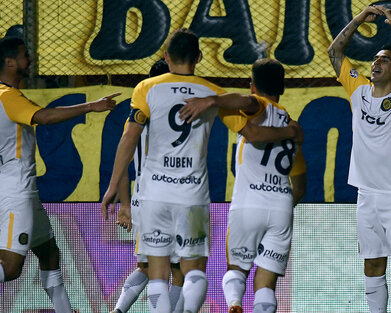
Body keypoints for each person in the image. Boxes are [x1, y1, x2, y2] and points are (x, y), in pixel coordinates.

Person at [100, 28, 301, 313]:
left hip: (154, 196)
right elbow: (252, 130)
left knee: (155, 272)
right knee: (193, 271)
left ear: (167, 56)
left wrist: (112, 187)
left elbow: (129, 137)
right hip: (192, 197)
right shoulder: (210, 91)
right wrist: (289, 130)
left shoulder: (146, 88)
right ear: (199, 57)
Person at [0, 37, 118, 312]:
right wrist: (90, 106)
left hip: (19, 190)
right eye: (23, 55)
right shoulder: (8, 96)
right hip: (16, 191)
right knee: (11, 267)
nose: (29, 59)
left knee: (50, 253)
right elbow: (44, 117)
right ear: (9, 62)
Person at [180, 58, 307, 313]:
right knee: (266, 285)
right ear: (282, 88)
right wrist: (281, 202)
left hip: (249, 203)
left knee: (236, 269)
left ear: (251, 86)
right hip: (282, 206)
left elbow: (249, 103)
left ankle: (235, 304)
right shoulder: (292, 125)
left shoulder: (258, 105)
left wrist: (213, 100)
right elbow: (301, 184)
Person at [328, 4, 391, 313]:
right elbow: (334, 53)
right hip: (367, 194)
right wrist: (359, 18)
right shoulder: (357, 89)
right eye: (374, 59)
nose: (375, 63)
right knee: (372, 265)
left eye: (383, 60)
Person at [109, 58, 184, 313]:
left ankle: (118, 311)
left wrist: (125, 205)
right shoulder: (181, 116)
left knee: (147, 266)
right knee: (178, 269)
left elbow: (122, 162)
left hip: (143, 199)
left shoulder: (135, 118)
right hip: (174, 197)